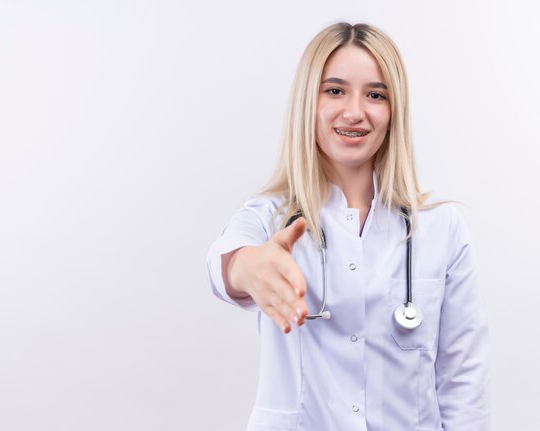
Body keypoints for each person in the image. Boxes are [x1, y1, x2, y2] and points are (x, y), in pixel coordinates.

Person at [206, 22, 490, 430]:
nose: (354, 111)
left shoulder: (441, 228)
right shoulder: (269, 218)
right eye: (334, 90)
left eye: (375, 95)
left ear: (394, 112)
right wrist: (245, 267)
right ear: (309, 102)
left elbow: (464, 381)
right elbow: (223, 263)